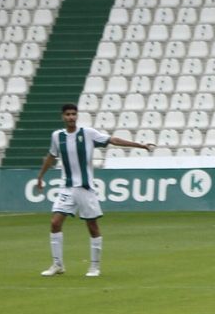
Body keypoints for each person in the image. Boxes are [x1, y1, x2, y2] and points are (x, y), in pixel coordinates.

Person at [33, 102, 155, 277]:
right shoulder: (57, 136)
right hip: (66, 188)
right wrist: (40, 176)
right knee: (55, 223)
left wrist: (140, 145)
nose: (71, 117)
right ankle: (58, 264)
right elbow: (51, 156)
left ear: (77, 116)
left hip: (85, 188)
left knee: (92, 226)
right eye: (67, 114)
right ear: (63, 117)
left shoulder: (88, 134)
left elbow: (113, 140)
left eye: (73, 114)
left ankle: (94, 267)